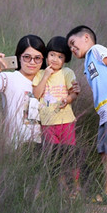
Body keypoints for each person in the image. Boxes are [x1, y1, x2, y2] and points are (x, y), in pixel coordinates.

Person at [66, 25, 107, 205]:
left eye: (73, 43)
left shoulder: (96, 50)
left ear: (86, 37)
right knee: (104, 152)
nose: (72, 49)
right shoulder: (88, 63)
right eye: (70, 48)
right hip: (105, 112)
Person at [32, 36, 80, 197]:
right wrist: (45, 76)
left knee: (70, 155)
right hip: (47, 123)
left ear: (65, 59)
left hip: (66, 121)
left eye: (60, 57)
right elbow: (37, 94)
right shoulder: (39, 74)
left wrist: (68, 99)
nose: (55, 59)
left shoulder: (67, 72)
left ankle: (75, 187)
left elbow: (74, 93)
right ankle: (61, 188)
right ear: (46, 55)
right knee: (53, 156)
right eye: (52, 55)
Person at [0, 34, 47, 149]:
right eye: (27, 57)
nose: (32, 62)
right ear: (19, 57)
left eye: (37, 58)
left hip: (43, 146)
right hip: (18, 147)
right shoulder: (11, 78)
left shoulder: (47, 80)